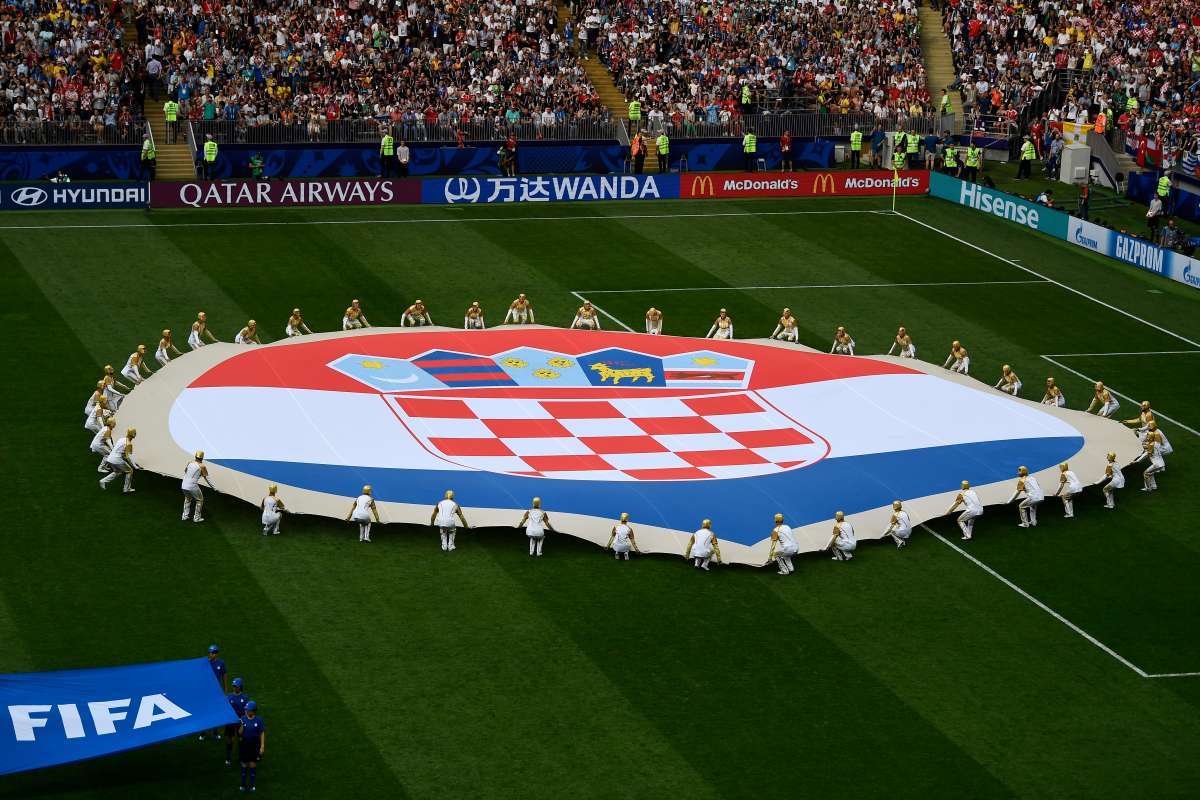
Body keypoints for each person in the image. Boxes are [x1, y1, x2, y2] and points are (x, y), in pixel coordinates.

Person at [199, 644, 227, 742]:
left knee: (215, 712)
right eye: (211, 652)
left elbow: (224, 676)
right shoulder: (205, 663)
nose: (212, 654)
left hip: (216, 691)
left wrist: (225, 689)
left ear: (217, 654)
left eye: (214, 653)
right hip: (206, 692)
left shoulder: (221, 663)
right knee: (205, 711)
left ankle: (215, 732)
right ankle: (203, 732)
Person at [181, 450, 215, 523]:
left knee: (187, 498)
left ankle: (184, 516)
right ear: (202, 458)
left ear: (195, 456)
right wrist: (214, 488)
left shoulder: (190, 463)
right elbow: (207, 478)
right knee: (200, 500)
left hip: (184, 485)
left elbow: (186, 472)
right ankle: (196, 518)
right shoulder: (202, 466)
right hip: (192, 485)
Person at [237, 700, 264, 793]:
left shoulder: (259, 720)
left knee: (252, 765)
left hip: (254, 745)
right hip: (244, 744)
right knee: (244, 765)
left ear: (253, 711)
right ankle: (243, 784)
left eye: (247, 710)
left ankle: (252, 785)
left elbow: (261, 733)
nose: (246, 711)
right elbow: (239, 733)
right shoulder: (243, 719)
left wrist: (262, 746)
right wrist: (242, 726)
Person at [223, 677, 248, 766]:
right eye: (233, 686)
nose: (234, 688)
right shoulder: (229, 696)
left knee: (241, 740)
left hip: (240, 722)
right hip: (230, 722)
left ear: (240, 686)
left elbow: (247, 711)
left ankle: (241, 758)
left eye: (236, 686)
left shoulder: (245, 698)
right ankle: (228, 758)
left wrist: (244, 720)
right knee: (230, 740)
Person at [1138, 426, 1167, 492]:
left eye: (1148, 436)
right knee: (1150, 473)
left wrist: (1137, 461)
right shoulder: (1155, 443)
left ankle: (1148, 488)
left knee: (1145, 473)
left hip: (1157, 464)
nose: (1147, 437)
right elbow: (1148, 446)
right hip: (1161, 464)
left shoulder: (1150, 445)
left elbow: (1146, 454)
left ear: (1151, 438)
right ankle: (1154, 486)